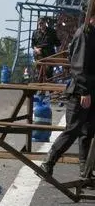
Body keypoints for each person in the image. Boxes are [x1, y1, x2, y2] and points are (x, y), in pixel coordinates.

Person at [40, 11, 95, 185]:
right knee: (73, 129)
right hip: (81, 92)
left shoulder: (92, 33)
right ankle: (48, 163)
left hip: (91, 91)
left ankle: (85, 171)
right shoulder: (84, 34)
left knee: (88, 132)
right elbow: (78, 66)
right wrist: (85, 91)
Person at [31, 16, 61, 82]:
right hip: (39, 54)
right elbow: (33, 45)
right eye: (39, 23)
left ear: (45, 23)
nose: (40, 25)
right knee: (40, 72)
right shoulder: (35, 32)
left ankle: (50, 90)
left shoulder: (52, 31)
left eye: (42, 23)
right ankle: (41, 90)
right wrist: (36, 49)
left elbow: (58, 43)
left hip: (49, 54)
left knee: (48, 72)